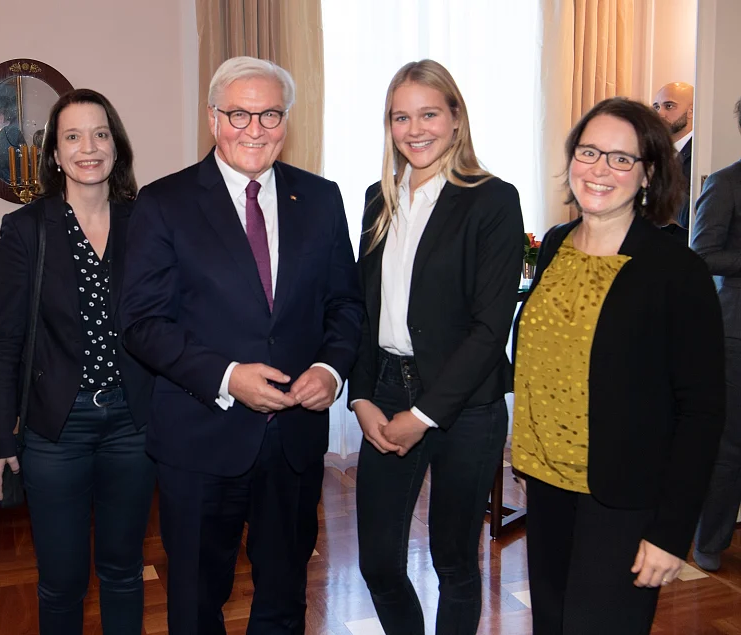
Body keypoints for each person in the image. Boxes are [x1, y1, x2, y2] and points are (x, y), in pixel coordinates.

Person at [119, 56, 363, 634]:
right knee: (198, 600)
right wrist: (228, 376)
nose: (254, 129)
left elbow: (346, 305)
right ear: (212, 118)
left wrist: (331, 369)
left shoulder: (321, 199)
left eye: (269, 114)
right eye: (238, 114)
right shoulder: (163, 203)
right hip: (201, 438)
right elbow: (142, 322)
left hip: (294, 443)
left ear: (287, 120)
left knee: (284, 594)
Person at [512, 97, 725, 635]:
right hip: (547, 484)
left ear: (648, 173)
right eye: (589, 151)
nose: (599, 169)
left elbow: (702, 412)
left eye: (620, 158)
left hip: (624, 497)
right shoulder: (557, 244)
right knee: (553, 626)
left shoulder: (677, 268)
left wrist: (672, 533)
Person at [347, 60, 524, 635]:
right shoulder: (379, 198)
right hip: (386, 392)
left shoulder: (492, 200)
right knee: (377, 562)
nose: (414, 128)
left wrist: (423, 416)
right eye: (402, 116)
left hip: (465, 406)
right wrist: (361, 399)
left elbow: (489, 327)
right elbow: (363, 311)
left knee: (454, 561)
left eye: (429, 113)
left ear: (455, 119)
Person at [0, 88, 155, 635]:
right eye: (73, 136)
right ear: (54, 155)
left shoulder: (146, 222)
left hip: (134, 424)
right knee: (61, 580)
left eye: (100, 134)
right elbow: (4, 342)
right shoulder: (26, 230)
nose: (89, 147)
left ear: (116, 147)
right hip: (57, 429)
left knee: (126, 571)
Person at [689, 96, 741, 573]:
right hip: (736, 336)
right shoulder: (725, 183)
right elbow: (701, 255)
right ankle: (710, 542)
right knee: (729, 447)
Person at [653, 82, 694, 230]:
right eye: (656, 107)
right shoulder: (650, 151)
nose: (660, 114)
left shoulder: (703, 156)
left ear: (691, 111)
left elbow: (695, 216)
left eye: (669, 106)